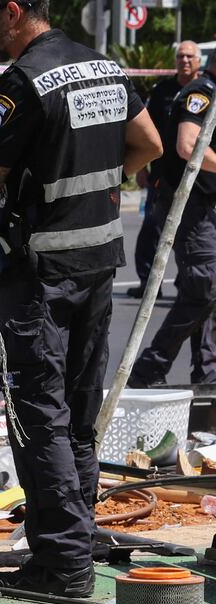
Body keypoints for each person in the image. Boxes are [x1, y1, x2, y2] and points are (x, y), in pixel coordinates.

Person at [0, 0, 162, 597]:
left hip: (40, 271)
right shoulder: (100, 65)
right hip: (98, 261)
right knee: (78, 411)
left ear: (15, 12)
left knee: (36, 415)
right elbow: (149, 144)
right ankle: (77, 542)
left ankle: (63, 564)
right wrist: (97, 189)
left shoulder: (24, 82)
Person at [128, 51, 216, 387]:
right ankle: (148, 370)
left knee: (208, 290)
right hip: (188, 205)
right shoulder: (201, 92)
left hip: (205, 205)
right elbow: (187, 144)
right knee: (202, 289)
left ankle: (207, 376)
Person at [128, 41, 201, 298]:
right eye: (180, 56)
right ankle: (149, 284)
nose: (184, 60)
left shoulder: (204, 91)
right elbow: (147, 131)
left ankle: (187, 284)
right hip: (163, 174)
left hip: (196, 177)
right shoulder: (162, 91)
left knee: (191, 233)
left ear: (199, 61)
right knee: (152, 228)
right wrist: (141, 167)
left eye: (189, 56)